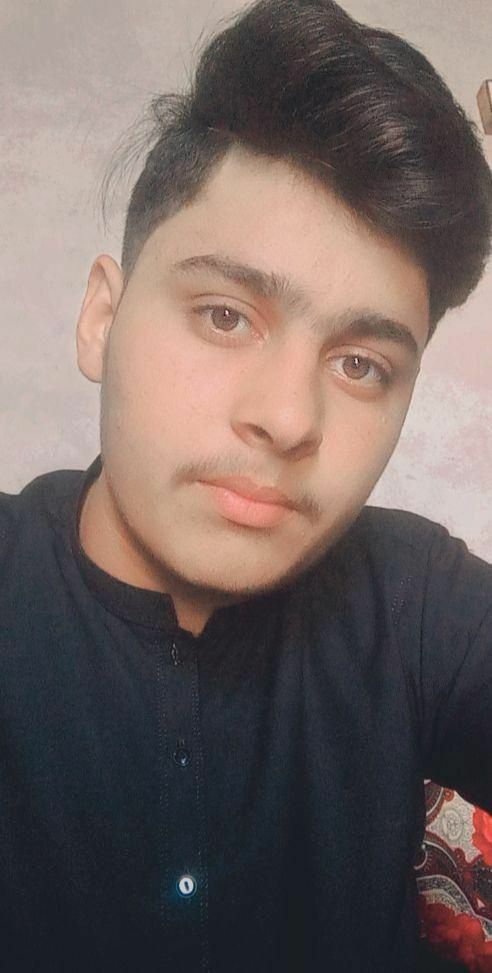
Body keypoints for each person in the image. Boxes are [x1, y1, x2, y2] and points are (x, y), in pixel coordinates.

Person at [1, 0, 491, 970]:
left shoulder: (417, 601)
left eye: (361, 364)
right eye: (226, 315)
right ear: (102, 319)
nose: (289, 417)